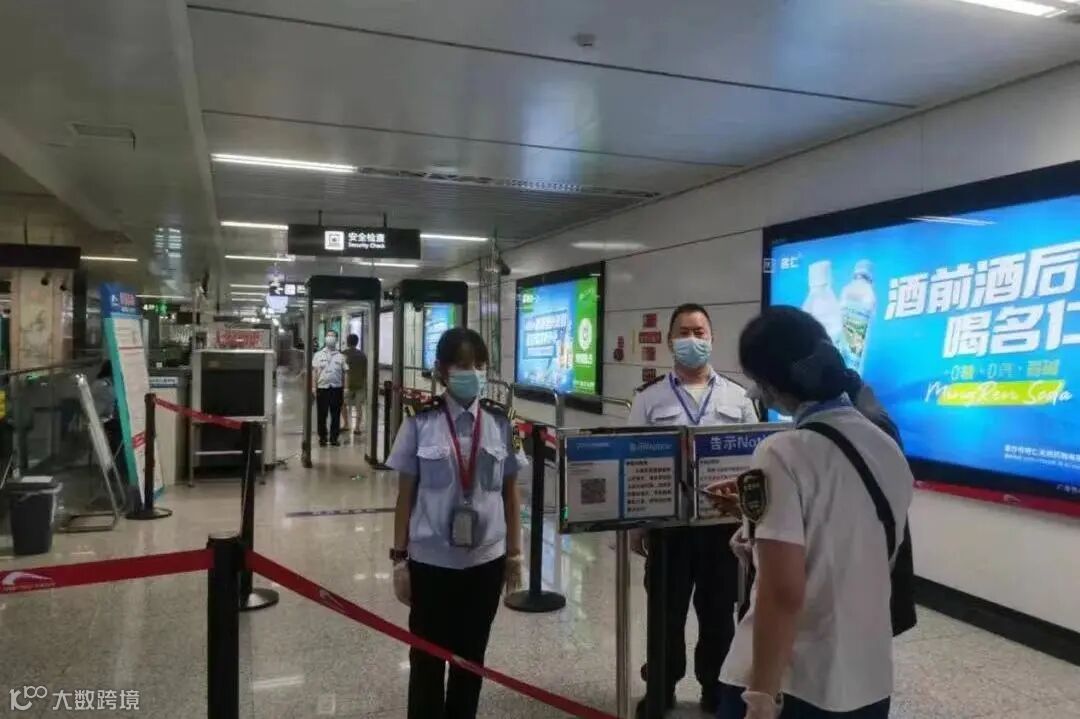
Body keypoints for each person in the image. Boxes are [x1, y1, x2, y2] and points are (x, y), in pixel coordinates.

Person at [714, 306, 914, 719]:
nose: (755, 394)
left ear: (773, 384)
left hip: (796, 680)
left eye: (757, 382)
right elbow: (853, 535)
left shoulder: (781, 452)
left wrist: (760, 697)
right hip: (867, 679)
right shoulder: (887, 445)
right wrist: (754, 518)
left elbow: (782, 591)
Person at [387, 327, 526, 719]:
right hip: (432, 563)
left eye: (480, 365)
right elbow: (405, 495)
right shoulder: (420, 421)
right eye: (463, 365)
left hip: (485, 564)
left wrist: (515, 554)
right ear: (441, 370)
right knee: (426, 660)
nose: (474, 373)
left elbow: (511, 493)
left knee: (472, 660)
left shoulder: (502, 422)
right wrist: (399, 558)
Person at [627, 303, 757, 716]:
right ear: (670, 341)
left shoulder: (739, 398)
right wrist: (637, 526)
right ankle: (661, 687)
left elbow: (755, 462)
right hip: (668, 528)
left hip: (722, 527)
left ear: (712, 338)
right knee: (665, 613)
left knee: (718, 613)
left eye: (699, 332)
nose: (692, 340)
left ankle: (715, 689)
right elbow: (633, 461)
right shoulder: (648, 399)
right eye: (683, 332)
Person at [312, 330, 347, 446]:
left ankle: (334, 438)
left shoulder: (341, 356)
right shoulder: (318, 355)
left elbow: (345, 373)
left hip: (336, 389)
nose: (330, 337)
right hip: (322, 388)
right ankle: (322, 437)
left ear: (336, 339)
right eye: (328, 335)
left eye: (333, 336)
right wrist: (314, 387)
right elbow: (314, 372)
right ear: (325, 338)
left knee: (335, 415)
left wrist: (345, 389)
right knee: (322, 414)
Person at [341, 333, 368, 434]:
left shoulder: (343, 354)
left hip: (347, 384)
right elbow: (366, 371)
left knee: (342, 404)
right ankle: (357, 428)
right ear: (357, 342)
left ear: (348, 342)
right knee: (358, 407)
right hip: (360, 384)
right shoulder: (362, 355)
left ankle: (346, 424)